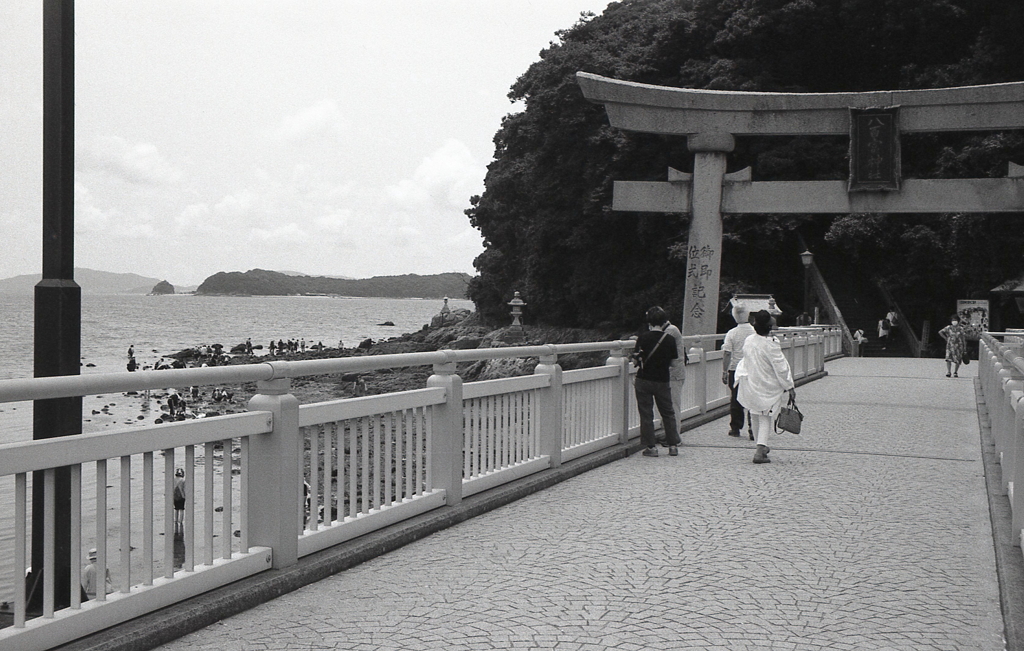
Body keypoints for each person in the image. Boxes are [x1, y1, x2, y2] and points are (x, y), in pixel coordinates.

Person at [736, 310, 796, 464]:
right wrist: (789, 386)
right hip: (767, 385)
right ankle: (759, 450)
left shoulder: (749, 340)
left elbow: (744, 361)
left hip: (750, 382)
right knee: (765, 417)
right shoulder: (771, 344)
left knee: (754, 414)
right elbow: (781, 367)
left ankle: (760, 446)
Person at [633, 306, 682, 457]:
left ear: (649, 321)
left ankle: (651, 447)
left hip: (644, 379)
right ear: (664, 321)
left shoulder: (643, 338)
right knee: (668, 412)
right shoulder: (669, 339)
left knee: (646, 413)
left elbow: (636, 360)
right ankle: (673, 445)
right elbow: (674, 363)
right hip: (662, 380)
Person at [721, 303, 756, 439]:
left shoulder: (732, 333)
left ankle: (735, 427)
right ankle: (753, 427)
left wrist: (724, 370)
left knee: (736, 399)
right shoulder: (754, 331)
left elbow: (727, 353)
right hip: (752, 369)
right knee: (752, 399)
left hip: (735, 370)